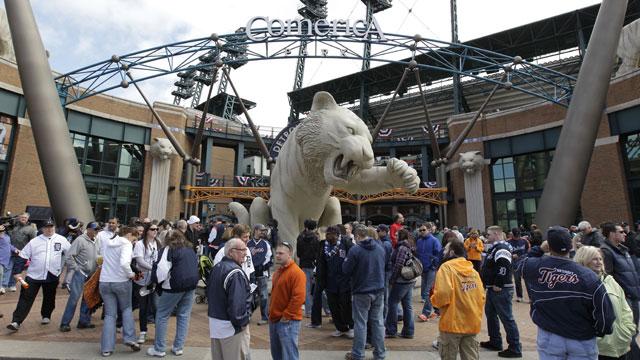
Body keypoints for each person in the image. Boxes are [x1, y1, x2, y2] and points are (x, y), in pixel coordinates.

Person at [521, 227, 616, 360]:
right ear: (571, 245)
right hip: (581, 337)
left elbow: (519, 263)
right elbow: (605, 312)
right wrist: (600, 331)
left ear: (549, 245)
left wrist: (540, 249)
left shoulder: (535, 266)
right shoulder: (588, 276)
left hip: (550, 335)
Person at [6, 219, 71, 332]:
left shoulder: (62, 240)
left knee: (49, 297)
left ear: (54, 227)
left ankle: (46, 315)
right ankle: (16, 321)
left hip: (52, 274)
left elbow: (71, 253)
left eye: (51, 227)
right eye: (47, 227)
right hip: (33, 275)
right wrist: (17, 272)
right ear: (42, 228)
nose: (49, 229)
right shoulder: (34, 241)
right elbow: (23, 256)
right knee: (25, 297)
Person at [575, 246, 635, 360]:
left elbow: (625, 308)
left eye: (600, 259)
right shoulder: (579, 285)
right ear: (584, 261)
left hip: (621, 344)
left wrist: (627, 330)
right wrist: (599, 338)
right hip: (598, 349)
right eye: (594, 259)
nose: (599, 262)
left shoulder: (610, 281)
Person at [147, 230, 199, 357]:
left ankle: (159, 348)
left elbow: (161, 271)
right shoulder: (189, 249)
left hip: (174, 286)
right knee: (184, 315)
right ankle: (178, 347)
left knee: (162, 315)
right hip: (191, 284)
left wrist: (155, 282)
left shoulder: (168, 250)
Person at [431, 238, 485, 360]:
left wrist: (434, 301)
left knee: (448, 356)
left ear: (452, 252)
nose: (443, 252)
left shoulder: (446, 268)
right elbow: (481, 296)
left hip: (452, 322)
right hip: (471, 322)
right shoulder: (473, 271)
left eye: (445, 249)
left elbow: (443, 294)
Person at [342, 224, 386, 360]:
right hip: (378, 289)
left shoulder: (355, 250)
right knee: (378, 322)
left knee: (361, 323)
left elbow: (346, 270)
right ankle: (380, 354)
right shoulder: (380, 248)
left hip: (361, 290)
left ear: (357, 236)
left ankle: (358, 354)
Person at [98, 226, 141, 356]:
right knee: (126, 309)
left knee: (110, 315)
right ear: (129, 234)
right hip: (121, 281)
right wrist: (131, 275)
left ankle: (106, 348)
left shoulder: (107, 242)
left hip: (105, 281)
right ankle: (129, 338)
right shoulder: (126, 244)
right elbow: (124, 263)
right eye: (134, 239)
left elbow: (101, 258)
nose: (134, 242)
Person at [480, 225, 522, 358]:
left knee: (506, 318)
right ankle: (495, 341)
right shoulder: (497, 248)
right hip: (493, 288)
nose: (487, 237)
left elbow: (503, 265)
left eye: (489, 234)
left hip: (500, 289)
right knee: (491, 315)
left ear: (497, 234)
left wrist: (499, 283)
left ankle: (515, 347)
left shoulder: (501, 248)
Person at [600, 222, 640, 358]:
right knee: (628, 335)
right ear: (612, 234)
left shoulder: (623, 249)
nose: (625, 234)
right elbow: (608, 277)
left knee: (633, 331)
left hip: (634, 297)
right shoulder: (606, 251)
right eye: (621, 231)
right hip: (625, 299)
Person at [208, 238, 252, 360]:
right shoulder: (235, 272)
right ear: (231, 252)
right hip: (230, 327)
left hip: (216, 323)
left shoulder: (217, 267)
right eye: (242, 250)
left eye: (245, 250)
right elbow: (237, 305)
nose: (245, 253)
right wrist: (242, 322)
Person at [59, 221, 100, 332]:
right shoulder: (80, 240)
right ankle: (65, 323)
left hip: (92, 274)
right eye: (94, 229)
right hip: (80, 273)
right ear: (88, 229)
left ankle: (84, 321)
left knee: (87, 299)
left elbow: (98, 255)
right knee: (74, 299)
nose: (96, 231)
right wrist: (77, 268)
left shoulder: (97, 240)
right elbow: (69, 256)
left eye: (97, 229)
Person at [269, 242, 306, 360]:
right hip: (275, 319)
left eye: (281, 253)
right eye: (277, 253)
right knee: (277, 355)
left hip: (288, 321)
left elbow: (298, 297)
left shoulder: (296, 273)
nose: (278, 255)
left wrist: (287, 315)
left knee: (289, 355)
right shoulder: (279, 271)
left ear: (289, 254)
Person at [316, 225, 354, 338]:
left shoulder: (346, 243)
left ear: (337, 235)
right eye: (327, 234)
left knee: (346, 305)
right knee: (333, 305)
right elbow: (320, 262)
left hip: (344, 280)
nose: (328, 236)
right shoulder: (323, 245)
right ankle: (340, 327)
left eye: (330, 234)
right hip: (329, 280)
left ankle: (351, 326)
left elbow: (352, 260)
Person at [385, 228, 417, 339]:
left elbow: (398, 264)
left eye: (397, 235)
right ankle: (408, 331)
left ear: (401, 236)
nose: (395, 236)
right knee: (407, 305)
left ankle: (391, 330)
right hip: (409, 279)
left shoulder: (402, 247)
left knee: (392, 303)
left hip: (401, 280)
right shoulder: (409, 246)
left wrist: (392, 279)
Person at [132, 223, 160, 344]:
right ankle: (143, 332)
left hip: (154, 280)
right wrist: (152, 268)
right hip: (142, 279)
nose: (155, 231)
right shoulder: (140, 244)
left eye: (157, 229)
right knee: (143, 307)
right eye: (153, 229)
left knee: (156, 306)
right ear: (147, 231)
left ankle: (159, 332)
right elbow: (139, 260)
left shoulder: (157, 243)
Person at [248, 223, 272, 326]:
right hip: (251, 273)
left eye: (263, 230)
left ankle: (265, 317)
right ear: (256, 230)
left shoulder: (265, 243)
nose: (263, 232)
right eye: (261, 230)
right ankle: (247, 315)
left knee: (264, 296)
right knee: (250, 295)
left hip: (262, 273)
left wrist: (262, 266)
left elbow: (269, 257)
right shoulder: (248, 243)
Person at [416, 222, 442, 322]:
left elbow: (438, 254)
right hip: (423, 268)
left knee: (427, 291)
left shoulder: (434, 241)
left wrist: (433, 265)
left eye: (424, 230)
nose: (422, 232)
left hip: (431, 269)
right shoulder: (419, 241)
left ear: (429, 230)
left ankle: (425, 313)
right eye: (420, 230)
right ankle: (437, 310)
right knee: (428, 291)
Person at [5, 213, 37, 292]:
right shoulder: (13, 226)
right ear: (19, 218)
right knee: (7, 269)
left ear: (28, 219)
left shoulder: (31, 229)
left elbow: (33, 242)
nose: (23, 219)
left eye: (25, 217)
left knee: (17, 270)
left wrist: (31, 253)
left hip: (22, 253)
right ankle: (3, 285)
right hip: (9, 251)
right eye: (22, 217)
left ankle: (12, 285)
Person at [296, 219, 319, 319]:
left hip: (304, 264)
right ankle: (327, 310)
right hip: (314, 265)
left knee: (307, 288)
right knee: (318, 288)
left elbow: (298, 253)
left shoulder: (300, 237)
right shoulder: (316, 238)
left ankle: (308, 311)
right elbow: (318, 252)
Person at [507, 228, 529, 302]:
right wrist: (511, 255)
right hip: (514, 264)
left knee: (527, 280)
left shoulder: (524, 241)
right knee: (517, 280)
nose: (517, 237)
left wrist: (523, 256)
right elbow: (505, 253)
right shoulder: (508, 242)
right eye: (515, 235)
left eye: (518, 235)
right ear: (512, 234)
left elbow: (527, 251)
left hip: (524, 263)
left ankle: (531, 297)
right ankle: (519, 296)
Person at [376, 224, 393, 320]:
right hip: (385, 271)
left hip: (385, 272)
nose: (377, 233)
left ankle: (384, 318)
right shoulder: (383, 242)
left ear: (384, 232)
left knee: (385, 296)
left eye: (378, 231)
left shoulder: (385, 244)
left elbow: (384, 260)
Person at [0, 224, 16, 294]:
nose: (1, 233)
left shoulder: (7, 237)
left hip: (8, 258)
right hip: (0, 259)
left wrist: (15, 249)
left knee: (7, 273)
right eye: (0, 231)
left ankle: (3, 286)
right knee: (0, 273)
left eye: (2, 231)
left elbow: (9, 245)